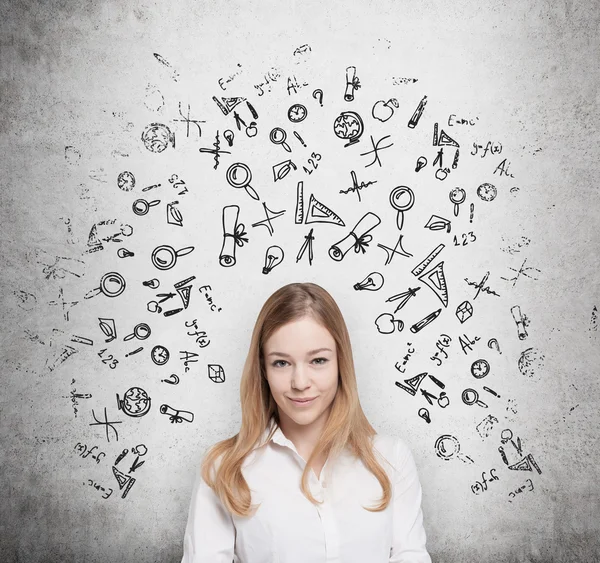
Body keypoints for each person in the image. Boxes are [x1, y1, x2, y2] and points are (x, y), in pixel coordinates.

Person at [181, 282, 431, 563]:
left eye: (318, 360)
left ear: (341, 363)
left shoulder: (391, 458)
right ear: (262, 368)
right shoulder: (224, 469)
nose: (300, 383)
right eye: (281, 363)